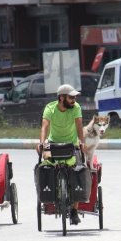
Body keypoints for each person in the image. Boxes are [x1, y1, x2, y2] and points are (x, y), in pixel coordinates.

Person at [39, 83, 86, 225]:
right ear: (61, 98)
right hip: (53, 143)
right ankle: (51, 192)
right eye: (71, 97)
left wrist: (81, 142)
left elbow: (79, 125)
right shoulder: (50, 108)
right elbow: (44, 126)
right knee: (45, 166)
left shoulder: (76, 108)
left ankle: (74, 211)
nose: (74, 100)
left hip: (71, 144)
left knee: (78, 172)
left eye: (75, 97)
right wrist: (41, 142)